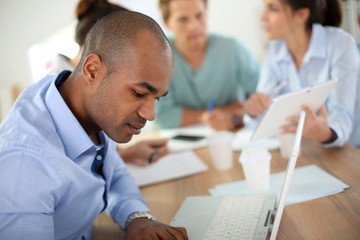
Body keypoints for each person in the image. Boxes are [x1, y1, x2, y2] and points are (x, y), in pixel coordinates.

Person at [0, 11, 187, 240]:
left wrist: (137, 218)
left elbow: (115, 174)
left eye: (156, 97)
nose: (150, 114)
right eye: (139, 93)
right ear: (92, 70)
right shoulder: (25, 165)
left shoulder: (78, 100)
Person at [49, 0, 169, 166]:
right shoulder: (58, 105)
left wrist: (127, 154)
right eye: (138, 93)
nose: (150, 115)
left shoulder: (97, 100)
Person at [244, 0, 359, 148]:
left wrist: (324, 133)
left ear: (301, 15)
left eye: (273, 9)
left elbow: (342, 119)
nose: (262, 16)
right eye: (264, 7)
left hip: (350, 153)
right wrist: (254, 110)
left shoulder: (340, 45)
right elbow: (265, 122)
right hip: (308, 151)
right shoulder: (274, 52)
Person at [155, 0, 260, 131]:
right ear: (166, 22)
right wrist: (226, 111)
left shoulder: (233, 49)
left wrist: (233, 117)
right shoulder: (158, 58)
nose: (194, 26)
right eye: (183, 19)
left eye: (199, 16)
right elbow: (163, 116)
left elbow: (265, 98)